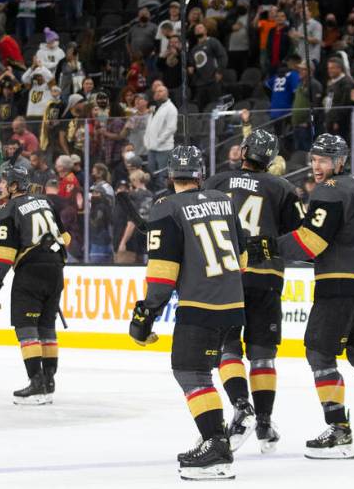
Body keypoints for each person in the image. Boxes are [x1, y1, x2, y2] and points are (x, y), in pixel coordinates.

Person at [252, 134, 354, 458]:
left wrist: (267, 246)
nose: (316, 166)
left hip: (342, 284)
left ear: (340, 161)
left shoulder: (330, 190)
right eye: (313, 159)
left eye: (323, 160)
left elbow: (311, 242)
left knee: (319, 352)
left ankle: (339, 431)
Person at [129, 145, 245, 480]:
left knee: (191, 373)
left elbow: (163, 276)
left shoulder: (166, 208)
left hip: (200, 304)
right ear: (200, 173)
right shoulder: (224, 201)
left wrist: (145, 315)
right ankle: (215, 439)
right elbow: (243, 254)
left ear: (169, 175)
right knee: (204, 370)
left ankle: (216, 447)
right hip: (233, 303)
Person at [205, 130, 304, 453]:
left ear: (244, 151)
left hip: (228, 277)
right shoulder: (283, 188)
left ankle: (240, 407)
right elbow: (299, 240)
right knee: (262, 353)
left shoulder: (218, 182)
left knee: (229, 347)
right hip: (267, 278)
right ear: (271, 159)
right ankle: (263, 423)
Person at [0, 165, 70, 405]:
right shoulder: (45, 202)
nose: (1, 186)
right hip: (55, 269)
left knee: (25, 326)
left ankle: (36, 383)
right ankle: (49, 381)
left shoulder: (8, 209)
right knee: (46, 326)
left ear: (13, 186)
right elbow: (67, 238)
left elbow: (2, 254)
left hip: (30, 271)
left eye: (4, 182)